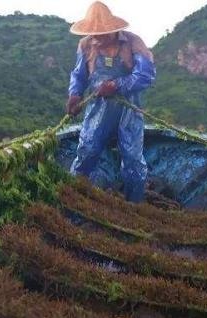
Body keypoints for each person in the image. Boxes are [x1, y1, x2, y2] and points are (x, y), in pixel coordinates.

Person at [66, 1, 156, 203]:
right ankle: (74, 199)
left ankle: (134, 205)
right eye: (94, 33)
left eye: (102, 33)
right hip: (98, 108)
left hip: (128, 109)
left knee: (132, 158)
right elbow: (79, 75)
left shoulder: (133, 43)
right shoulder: (86, 45)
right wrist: (75, 94)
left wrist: (117, 85)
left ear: (113, 29)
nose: (97, 38)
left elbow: (146, 75)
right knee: (87, 150)